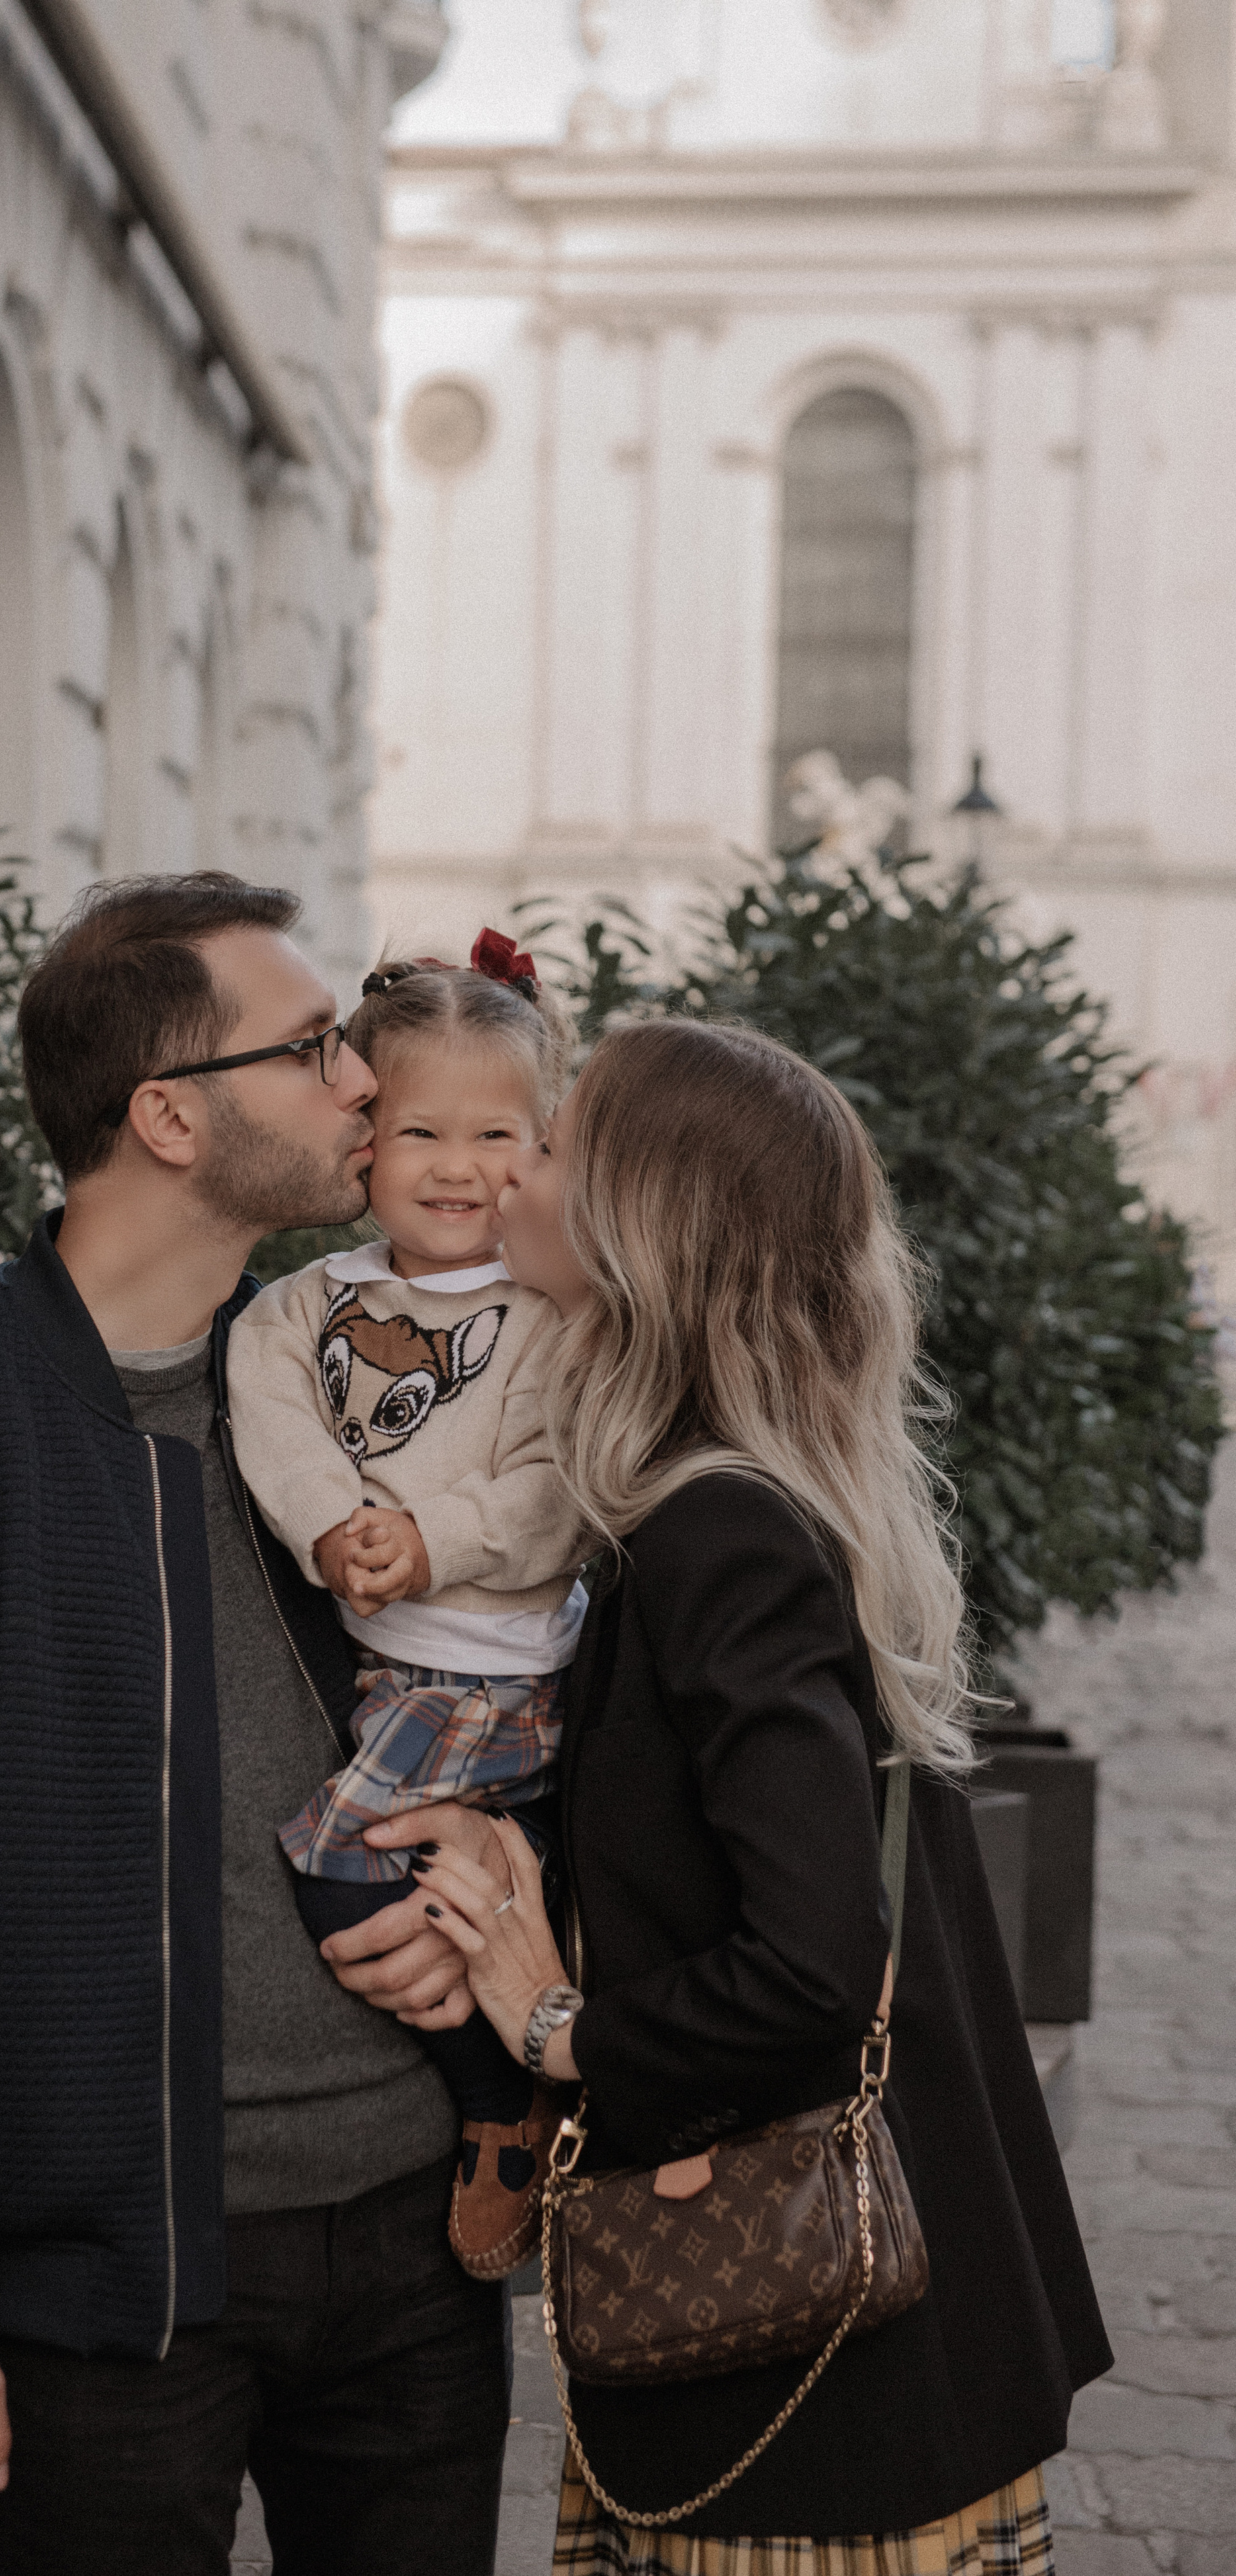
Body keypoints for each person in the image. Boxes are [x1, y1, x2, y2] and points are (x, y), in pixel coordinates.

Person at [0, 872, 516, 2575]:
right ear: (168, 1114)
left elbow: (513, 1686)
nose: (364, 1085)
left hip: (412, 2245)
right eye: (314, 1048)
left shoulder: (355, 1393)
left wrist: (495, 1877)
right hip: (97, 2292)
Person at [361, 1017, 1112, 2573]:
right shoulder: (733, 1498)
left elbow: (812, 1966)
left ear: (645, 1219)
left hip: (814, 2372)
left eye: (552, 1145)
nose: (510, 1174)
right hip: (851, 2353)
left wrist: (557, 2024)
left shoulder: (720, 1533)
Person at [227, 937, 585, 2278]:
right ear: (361, 1143)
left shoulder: (556, 1311)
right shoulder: (299, 1309)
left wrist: (428, 1538)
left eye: (495, 1132)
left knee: (337, 1858)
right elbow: (274, 1428)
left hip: (491, 1672)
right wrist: (334, 1523)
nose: (454, 1165)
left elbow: (556, 1485)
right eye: (417, 1128)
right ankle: (519, 2051)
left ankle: (501, 2107)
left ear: (542, 1143)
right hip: (385, 1667)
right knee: (461, 1873)